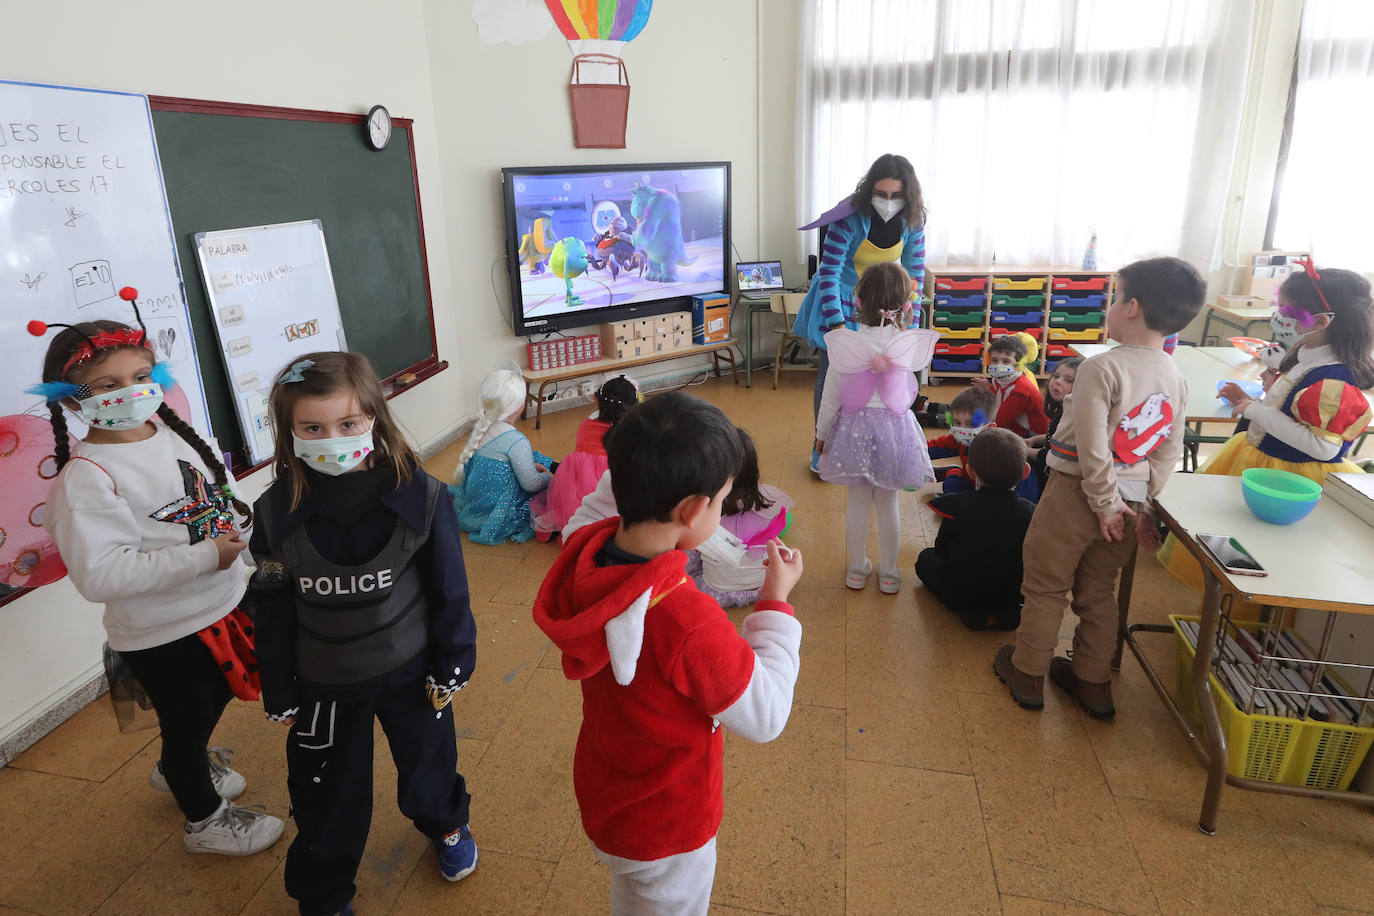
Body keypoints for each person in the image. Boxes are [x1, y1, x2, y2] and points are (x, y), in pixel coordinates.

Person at [532, 392, 804, 916]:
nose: (722, 512)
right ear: (694, 510)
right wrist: (775, 601)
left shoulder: (585, 554)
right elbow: (766, 714)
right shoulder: (684, 618)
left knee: (635, 894)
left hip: (610, 793)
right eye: (722, 502)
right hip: (669, 821)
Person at [30, 310, 284, 857]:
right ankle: (204, 820)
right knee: (187, 726)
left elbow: (214, 495)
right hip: (164, 634)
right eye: (107, 385)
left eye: (141, 376)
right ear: (74, 399)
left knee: (213, 700)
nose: (131, 392)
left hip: (220, 605)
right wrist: (203, 557)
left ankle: (181, 766)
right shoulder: (88, 478)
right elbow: (102, 575)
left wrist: (237, 531)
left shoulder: (171, 432)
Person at [248, 352, 479, 915]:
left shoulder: (421, 497)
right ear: (290, 433)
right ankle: (324, 894)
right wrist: (276, 685)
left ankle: (445, 825)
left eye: (348, 424)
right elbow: (271, 608)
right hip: (323, 685)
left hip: (413, 673)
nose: (332, 438)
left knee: (429, 765)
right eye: (312, 428)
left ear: (374, 418)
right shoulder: (275, 513)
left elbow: (450, 588)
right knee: (327, 797)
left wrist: (455, 659)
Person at [994, 257, 1205, 718]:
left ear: (1131, 307)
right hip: (1129, 506)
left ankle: (1027, 671)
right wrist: (1147, 507)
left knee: (1046, 585)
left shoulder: (1101, 367)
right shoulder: (1175, 375)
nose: (1109, 307)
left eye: (1115, 297)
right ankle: (1093, 682)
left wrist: (1104, 503)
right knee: (1098, 591)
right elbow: (1167, 450)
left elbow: (1091, 446)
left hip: (1077, 495)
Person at [1160, 261, 1373, 589]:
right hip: (1264, 462)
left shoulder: (1334, 381)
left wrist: (1255, 411)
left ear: (1319, 321)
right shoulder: (1309, 352)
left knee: (1269, 552)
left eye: (1288, 311)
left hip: (1290, 478)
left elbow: (1325, 447)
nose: (1280, 317)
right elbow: (1293, 398)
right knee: (1240, 537)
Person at [792, 153, 928, 472]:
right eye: (881, 194)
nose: (888, 201)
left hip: (880, 301)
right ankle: (822, 446)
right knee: (832, 376)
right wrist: (837, 324)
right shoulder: (849, 217)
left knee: (879, 380)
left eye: (896, 195)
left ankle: (865, 446)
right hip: (839, 298)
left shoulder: (914, 220)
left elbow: (915, 274)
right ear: (870, 190)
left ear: (908, 195)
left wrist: (911, 325)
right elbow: (828, 273)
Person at [815, 261, 936, 593]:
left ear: (858, 302)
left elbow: (831, 396)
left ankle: (856, 569)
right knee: (888, 503)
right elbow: (911, 389)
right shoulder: (910, 343)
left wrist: (821, 435)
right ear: (906, 305)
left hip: (853, 430)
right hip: (895, 432)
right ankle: (889, 573)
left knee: (857, 502)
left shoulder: (846, 343)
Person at [916, 427, 1037, 630]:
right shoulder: (1032, 513)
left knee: (925, 559)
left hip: (961, 595)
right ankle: (998, 615)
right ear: (1025, 471)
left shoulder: (957, 505)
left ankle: (975, 613)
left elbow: (941, 550)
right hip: (1009, 600)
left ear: (971, 471)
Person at [684, 428, 796, 608]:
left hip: (715, 592)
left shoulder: (703, 511)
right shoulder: (769, 499)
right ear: (754, 471)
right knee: (776, 528)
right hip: (763, 587)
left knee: (686, 547)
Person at [449, 364, 553, 545]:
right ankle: (558, 470)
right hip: (499, 508)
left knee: (534, 458)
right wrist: (548, 478)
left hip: (478, 501)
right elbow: (531, 484)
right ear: (519, 406)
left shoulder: (480, 429)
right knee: (545, 483)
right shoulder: (517, 441)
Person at [531, 374, 638, 542]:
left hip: (574, 483)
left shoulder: (588, 422)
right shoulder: (630, 430)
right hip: (603, 483)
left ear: (598, 400)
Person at [973, 332, 1049, 438]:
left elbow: (1001, 420)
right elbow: (996, 401)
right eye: (994, 360)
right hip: (1013, 425)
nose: (998, 365)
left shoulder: (1021, 390)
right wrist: (988, 389)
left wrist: (974, 423)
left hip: (1033, 435)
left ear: (1018, 364)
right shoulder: (1000, 379)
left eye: (1006, 361)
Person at [1026, 357, 1083, 491]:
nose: (1057, 382)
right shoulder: (1063, 409)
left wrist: (1025, 450)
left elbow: (1053, 455)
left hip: (1052, 476)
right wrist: (1034, 439)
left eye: (1068, 380)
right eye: (1056, 376)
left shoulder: (1075, 417)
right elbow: (1055, 434)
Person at [925, 385, 996, 491]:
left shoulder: (997, 450)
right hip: (969, 480)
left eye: (971, 424)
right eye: (957, 422)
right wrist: (914, 449)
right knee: (950, 486)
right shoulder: (959, 438)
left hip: (992, 491)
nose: (962, 430)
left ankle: (951, 472)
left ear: (990, 427)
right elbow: (937, 445)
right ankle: (952, 471)